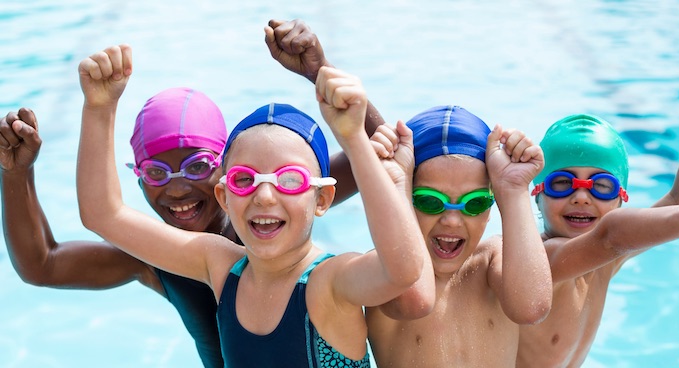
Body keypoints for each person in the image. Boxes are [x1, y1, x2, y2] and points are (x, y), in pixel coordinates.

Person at [0, 19, 385, 368]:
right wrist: (16, 175)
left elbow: (387, 162)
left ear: (227, 172)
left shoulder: (273, 203)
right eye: (155, 172)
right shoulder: (158, 255)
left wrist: (320, 73)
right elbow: (44, 263)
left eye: (198, 166)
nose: (177, 187)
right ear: (137, 179)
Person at [76, 41, 428, 367]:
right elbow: (103, 214)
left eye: (289, 180)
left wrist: (354, 141)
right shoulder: (219, 265)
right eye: (245, 179)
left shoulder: (331, 282)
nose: (264, 195)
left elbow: (402, 269)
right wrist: (99, 107)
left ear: (321, 199)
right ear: (224, 198)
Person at [515, 41, 679, 367]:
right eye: (563, 183)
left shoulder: (602, 261)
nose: (581, 196)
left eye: (601, 187)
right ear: (538, 193)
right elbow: (612, 236)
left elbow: (677, 199)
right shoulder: (537, 262)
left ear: (621, 199)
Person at [365, 105, 554, 367]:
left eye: (474, 203)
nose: (452, 219)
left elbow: (532, 308)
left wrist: (513, 190)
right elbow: (416, 301)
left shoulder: (492, 261)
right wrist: (395, 186)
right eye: (430, 201)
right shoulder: (381, 268)